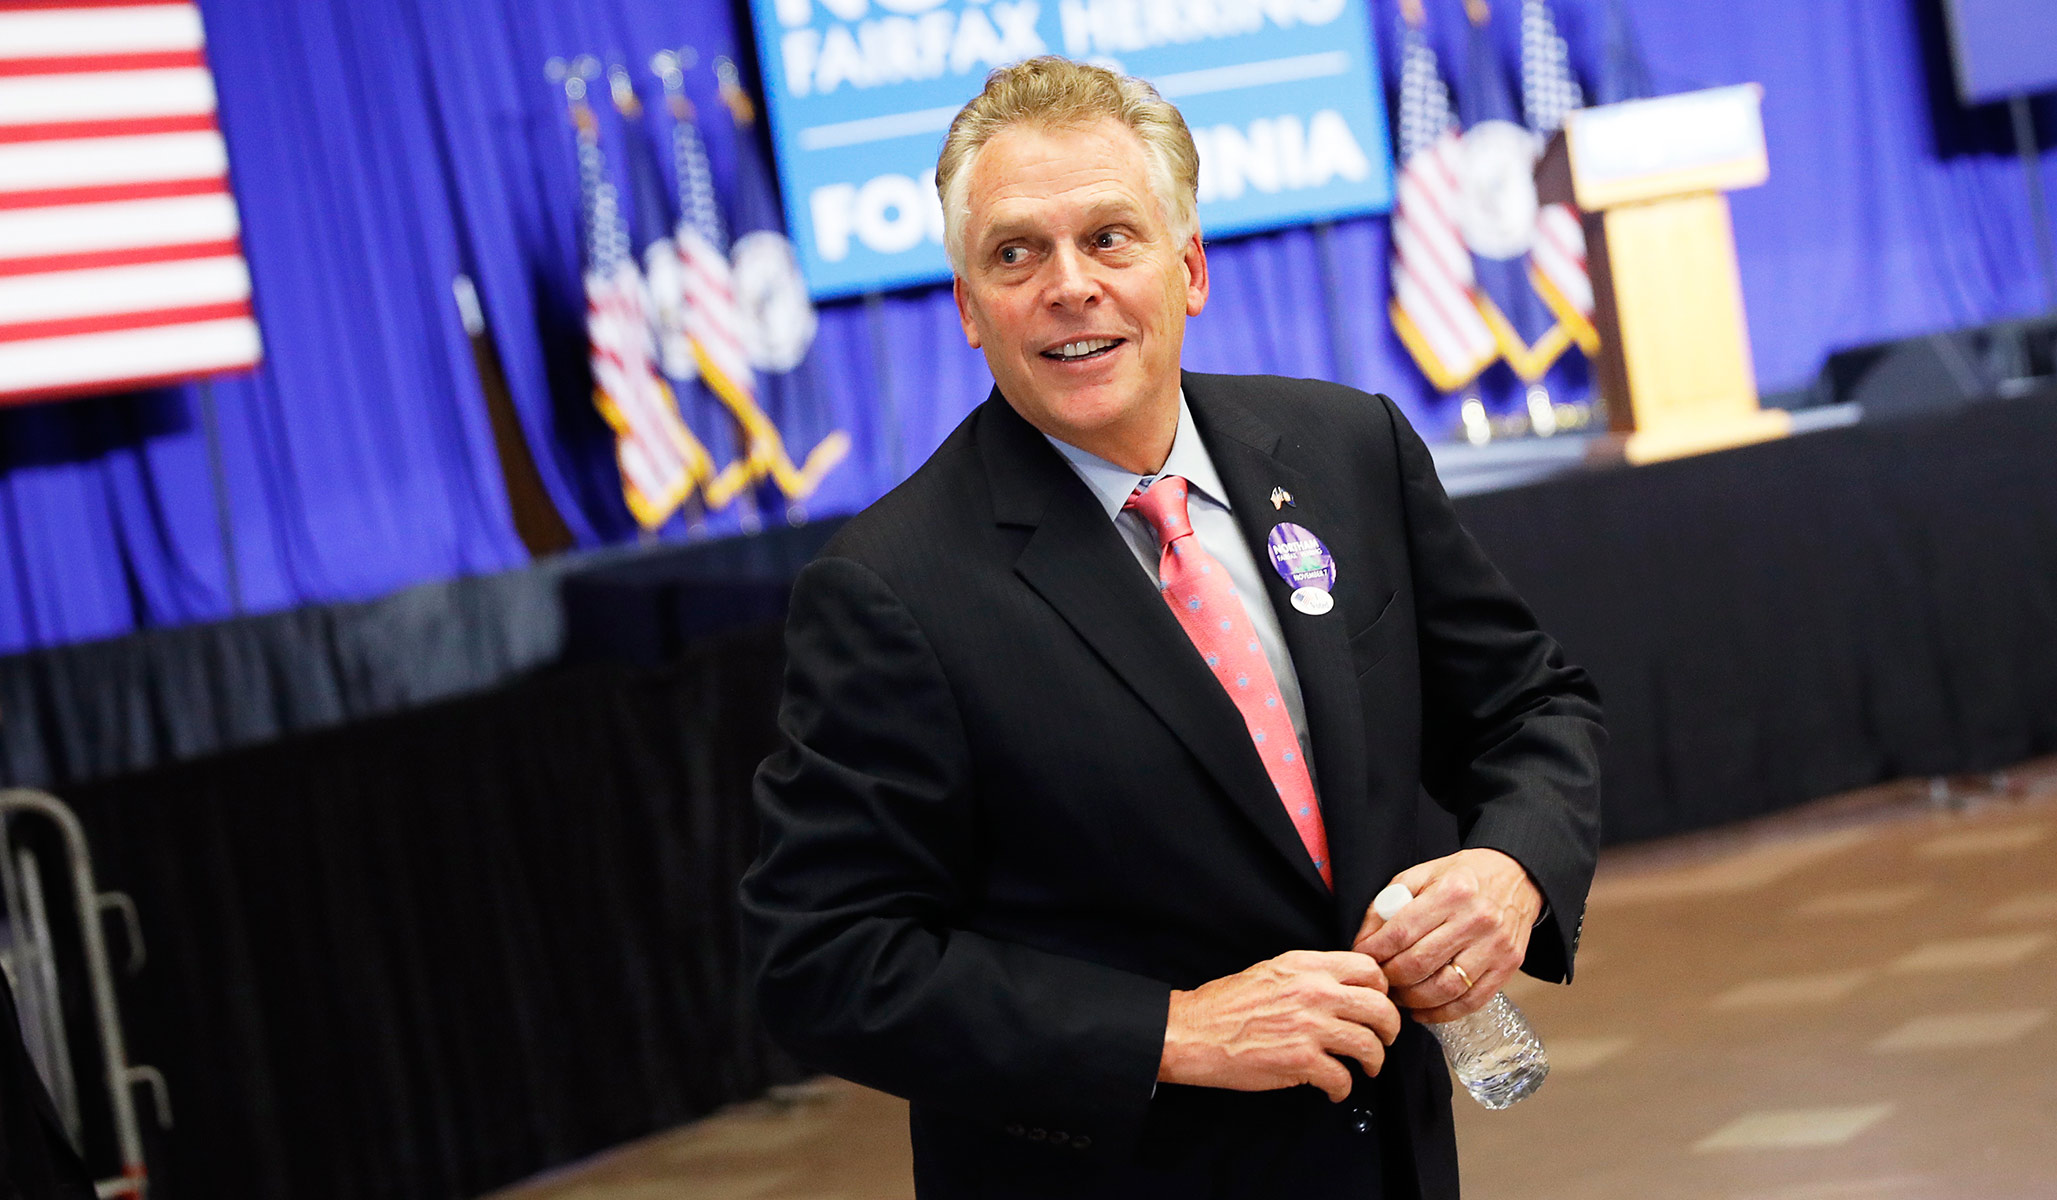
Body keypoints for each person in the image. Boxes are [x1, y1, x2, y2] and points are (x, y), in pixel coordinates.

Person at [740, 56, 1604, 1199]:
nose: (1068, 286)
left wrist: (1511, 868)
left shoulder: (1347, 450)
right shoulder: (888, 587)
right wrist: (1169, 1032)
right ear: (967, 307)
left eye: (1108, 238)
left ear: (1187, 267)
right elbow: (822, 959)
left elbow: (1527, 709)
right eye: (1014, 254)